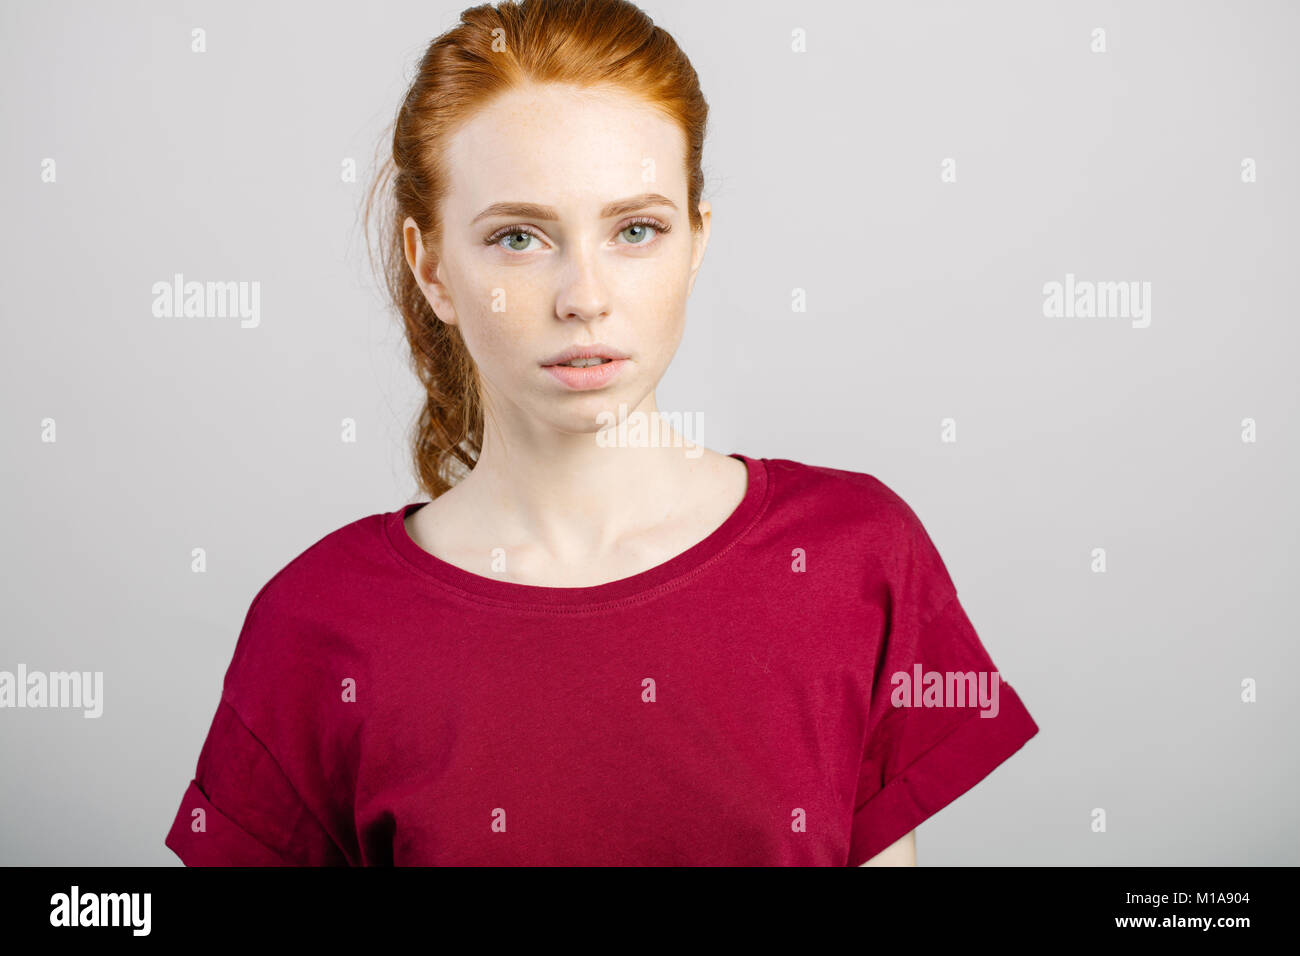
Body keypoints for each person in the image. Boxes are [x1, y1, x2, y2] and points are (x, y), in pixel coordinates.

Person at [164, 0, 1038, 867]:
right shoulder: (316, 624)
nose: (584, 295)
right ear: (432, 267)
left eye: (635, 230)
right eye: (518, 236)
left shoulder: (856, 556)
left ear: (695, 242)